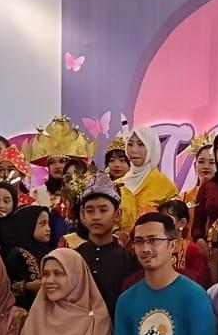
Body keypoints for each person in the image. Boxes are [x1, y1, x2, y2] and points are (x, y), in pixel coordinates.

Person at [77, 173, 139, 318]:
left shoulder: (129, 261)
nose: (96, 217)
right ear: (83, 215)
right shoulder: (74, 257)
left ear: (117, 215)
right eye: (90, 211)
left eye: (103, 210)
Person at [23, 116, 96, 209]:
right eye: (52, 162)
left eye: (62, 161)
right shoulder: (36, 193)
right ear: (48, 167)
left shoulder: (81, 193)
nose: (57, 166)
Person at [118, 127, 178, 234]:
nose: (134, 150)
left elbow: (173, 225)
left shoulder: (166, 186)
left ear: (152, 147)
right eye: (130, 144)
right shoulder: (117, 185)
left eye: (141, 144)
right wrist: (116, 230)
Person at [0, 204, 51, 309]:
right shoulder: (17, 255)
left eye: (48, 224)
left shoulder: (44, 252)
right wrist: (28, 286)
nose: (48, 229)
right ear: (27, 225)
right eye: (42, 224)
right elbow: (5, 287)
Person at [158, 199, 207, 286]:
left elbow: (197, 283)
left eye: (167, 219)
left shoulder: (193, 250)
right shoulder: (156, 248)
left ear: (182, 223)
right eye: (160, 220)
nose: (162, 224)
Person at [180, 133, 216, 242]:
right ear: (195, 165)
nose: (206, 166)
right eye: (201, 162)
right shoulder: (184, 197)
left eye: (212, 162)